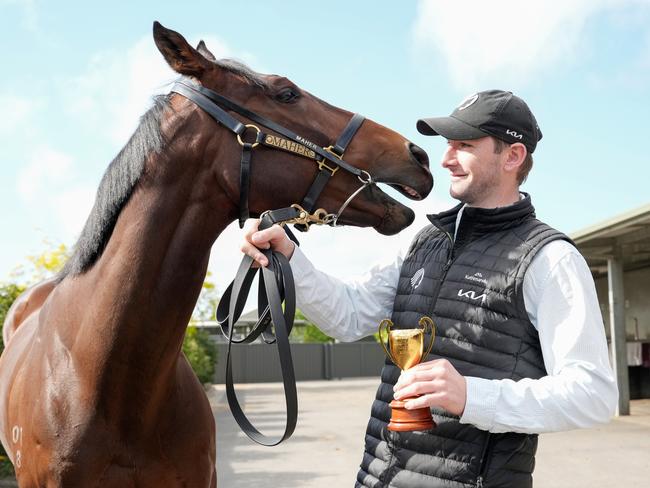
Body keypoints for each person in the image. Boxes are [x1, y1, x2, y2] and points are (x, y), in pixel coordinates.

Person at [240, 90, 618, 488]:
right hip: (376, 478)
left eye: (465, 146)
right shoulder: (422, 242)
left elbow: (592, 395)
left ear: (512, 157)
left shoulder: (551, 259)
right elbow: (348, 317)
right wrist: (289, 258)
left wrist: (472, 397)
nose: (446, 158)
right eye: (448, 144)